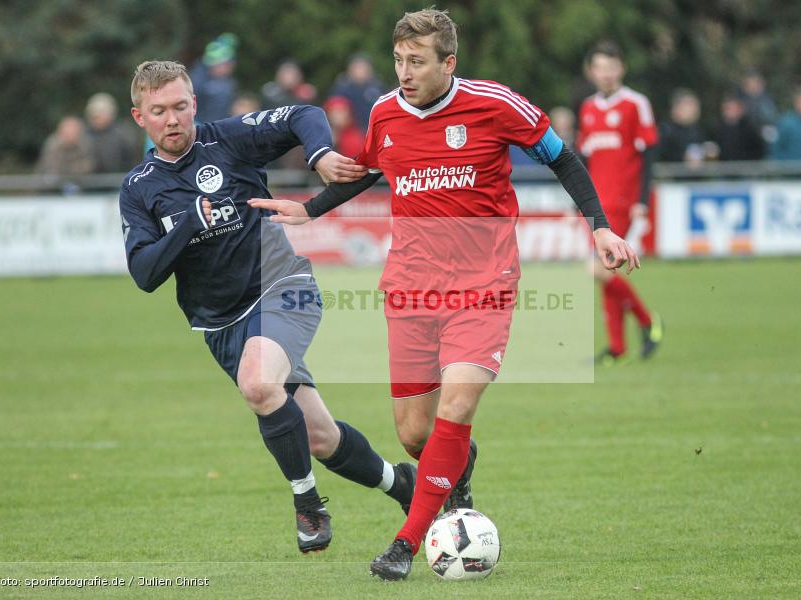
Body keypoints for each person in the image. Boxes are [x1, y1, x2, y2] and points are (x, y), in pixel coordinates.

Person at [248, 9, 639, 580]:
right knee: (415, 434)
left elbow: (561, 156)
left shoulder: (495, 103)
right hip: (410, 286)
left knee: (457, 408)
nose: (404, 73)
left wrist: (599, 224)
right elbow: (369, 171)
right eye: (399, 61)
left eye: (418, 62)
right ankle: (459, 464)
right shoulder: (385, 112)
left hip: (485, 285)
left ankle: (406, 544)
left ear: (448, 63)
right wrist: (309, 209)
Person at [119, 60, 416, 555]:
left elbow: (304, 113)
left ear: (194, 104)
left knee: (258, 384)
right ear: (139, 118)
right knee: (319, 438)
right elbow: (145, 274)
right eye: (159, 111)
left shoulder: (228, 139)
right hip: (221, 324)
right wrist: (189, 224)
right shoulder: (138, 188)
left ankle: (307, 504)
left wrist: (320, 154)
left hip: (283, 285)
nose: (172, 119)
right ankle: (403, 486)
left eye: (179, 107)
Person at [577, 41, 663, 365]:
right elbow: (583, 160)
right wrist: (580, 203)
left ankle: (647, 320)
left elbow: (649, 154)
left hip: (623, 202)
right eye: (600, 67)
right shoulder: (587, 108)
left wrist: (641, 200)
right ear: (592, 71)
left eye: (611, 66)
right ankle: (617, 347)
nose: (606, 73)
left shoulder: (635, 104)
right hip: (595, 204)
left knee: (597, 268)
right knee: (606, 269)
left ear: (621, 69)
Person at [36, 115, 95, 192]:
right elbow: (51, 168)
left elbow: (88, 167)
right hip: (54, 189)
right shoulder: (52, 145)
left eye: (73, 131)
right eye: (67, 131)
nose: (70, 135)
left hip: (82, 188)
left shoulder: (86, 145)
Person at [329, 53, 386, 132]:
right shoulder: (342, 88)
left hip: (374, 129)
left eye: (363, 68)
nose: (360, 71)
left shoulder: (377, 86)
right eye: (357, 68)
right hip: (349, 131)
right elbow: (336, 113)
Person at [84, 92, 140, 173]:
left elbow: (133, 159)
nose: (97, 118)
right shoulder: (84, 134)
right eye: (95, 115)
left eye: (101, 113)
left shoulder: (123, 134)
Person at [190, 33, 238, 124]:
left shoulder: (229, 82)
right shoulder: (197, 81)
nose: (230, 68)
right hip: (199, 127)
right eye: (227, 65)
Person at [657, 88, 707, 165]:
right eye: (690, 105)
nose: (695, 109)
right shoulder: (666, 130)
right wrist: (682, 157)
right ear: (676, 108)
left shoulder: (697, 130)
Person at [713, 93, 765, 161]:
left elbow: (758, 150)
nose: (729, 112)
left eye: (732, 108)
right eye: (726, 108)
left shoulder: (750, 129)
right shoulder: (718, 128)